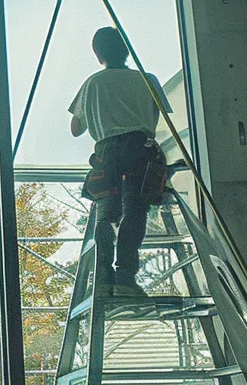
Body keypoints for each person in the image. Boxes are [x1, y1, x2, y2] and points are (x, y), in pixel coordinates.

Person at [69, 27, 170, 300]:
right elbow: (156, 118)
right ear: (127, 49)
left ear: (98, 54)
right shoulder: (147, 80)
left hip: (107, 153)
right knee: (135, 212)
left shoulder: (93, 84)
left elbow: (76, 128)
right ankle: (125, 276)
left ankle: (102, 277)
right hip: (141, 149)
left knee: (107, 214)